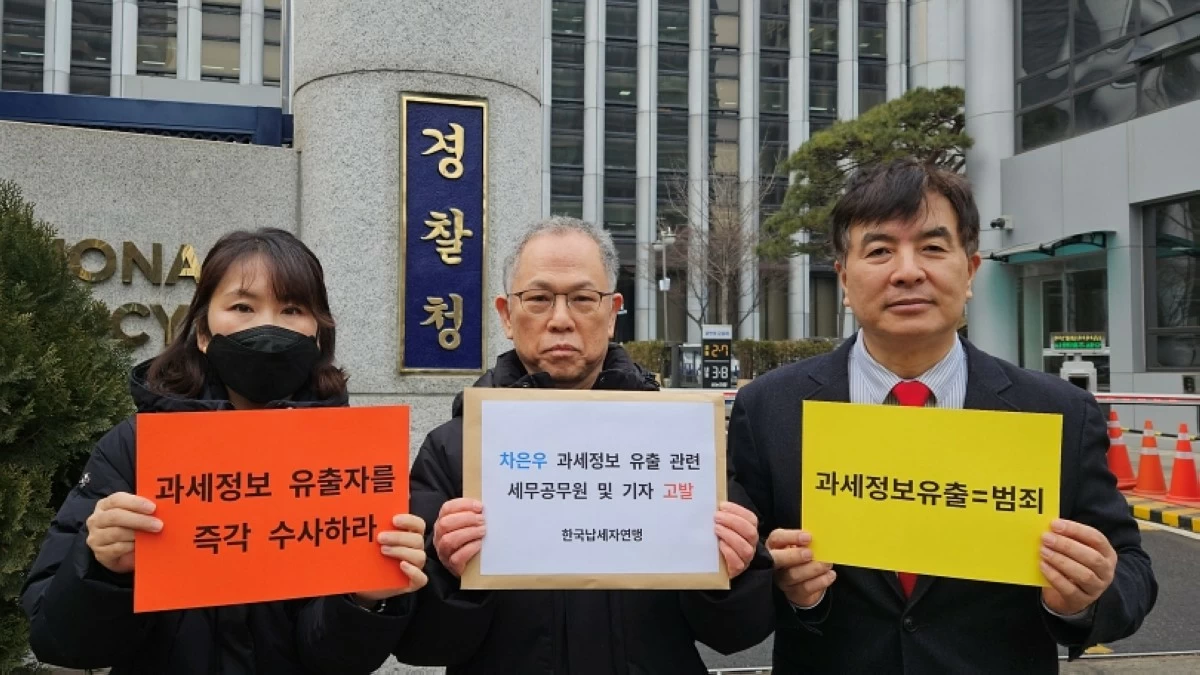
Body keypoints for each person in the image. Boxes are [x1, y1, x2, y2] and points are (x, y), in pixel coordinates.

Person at [729, 159, 1158, 673]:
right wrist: (790, 590)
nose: (908, 271)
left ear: (970, 270)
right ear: (844, 278)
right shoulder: (772, 407)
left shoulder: (1058, 411)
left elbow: (1131, 569)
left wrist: (1084, 597)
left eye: (932, 248)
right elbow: (735, 592)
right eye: (880, 250)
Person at [21, 228, 427, 674]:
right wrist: (101, 568)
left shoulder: (352, 458)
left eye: (292, 309)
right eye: (242, 307)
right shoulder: (135, 447)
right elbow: (61, 642)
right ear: (202, 332)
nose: (268, 327)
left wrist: (363, 598)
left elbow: (334, 659)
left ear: (317, 336)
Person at [392, 217, 773, 674]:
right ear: (505, 314)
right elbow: (420, 646)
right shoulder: (452, 451)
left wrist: (733, 572)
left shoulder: (679, 442)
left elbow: (738, 634)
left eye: (582, 299)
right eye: (538, 299)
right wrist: (452, 577)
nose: (560, 320)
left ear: (613, 312)